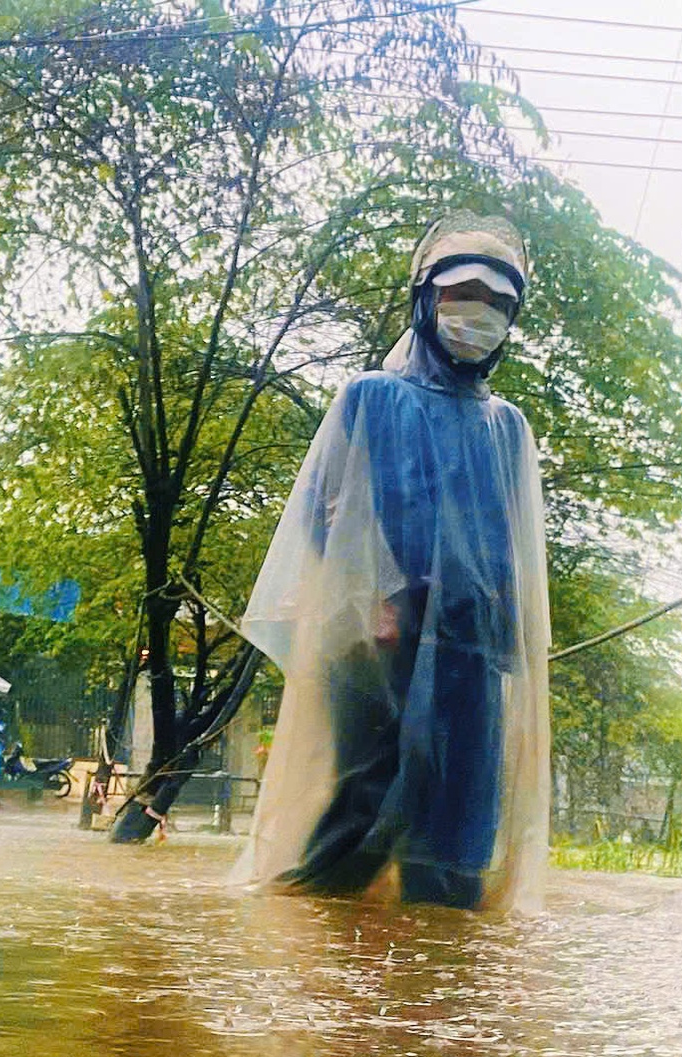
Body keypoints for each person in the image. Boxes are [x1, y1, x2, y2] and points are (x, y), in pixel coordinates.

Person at [233, 213, 552, 913]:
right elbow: (323, 514)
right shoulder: (370, 397)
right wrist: (377, 598)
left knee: (459, 826)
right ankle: (310, 949)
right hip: (380, 639)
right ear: (426, 299)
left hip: (470, 648)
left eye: (498, 303)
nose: (480, 314)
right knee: (365, 810)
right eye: (463, 294)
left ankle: (444, 965)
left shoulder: (507, 426)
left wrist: (509, 639)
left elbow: (511, 552)